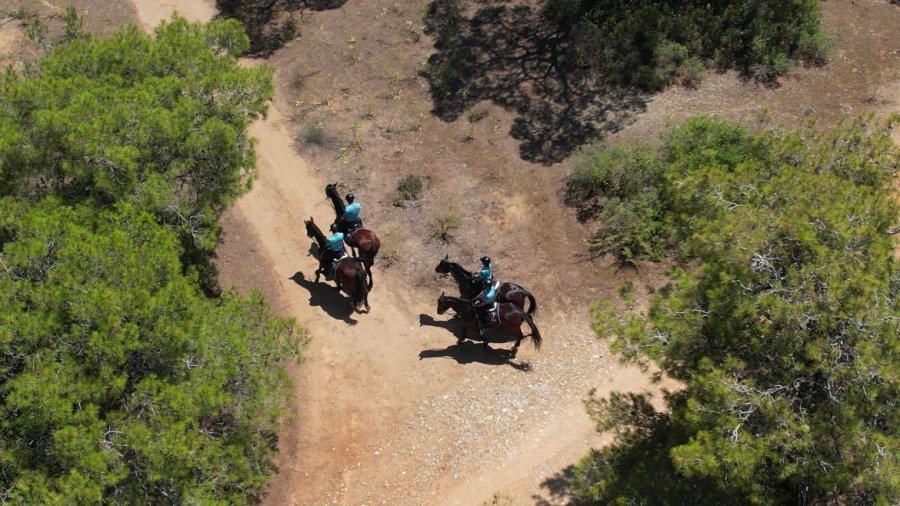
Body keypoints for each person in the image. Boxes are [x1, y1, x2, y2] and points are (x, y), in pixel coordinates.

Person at [472, 256, 498, 338]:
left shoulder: (488, 295)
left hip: (487, 304)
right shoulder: (491, 287)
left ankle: (481, 328)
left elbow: (483, 303)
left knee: (477, 314)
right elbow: (483, 292)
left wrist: (475, 305)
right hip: (490, 280)